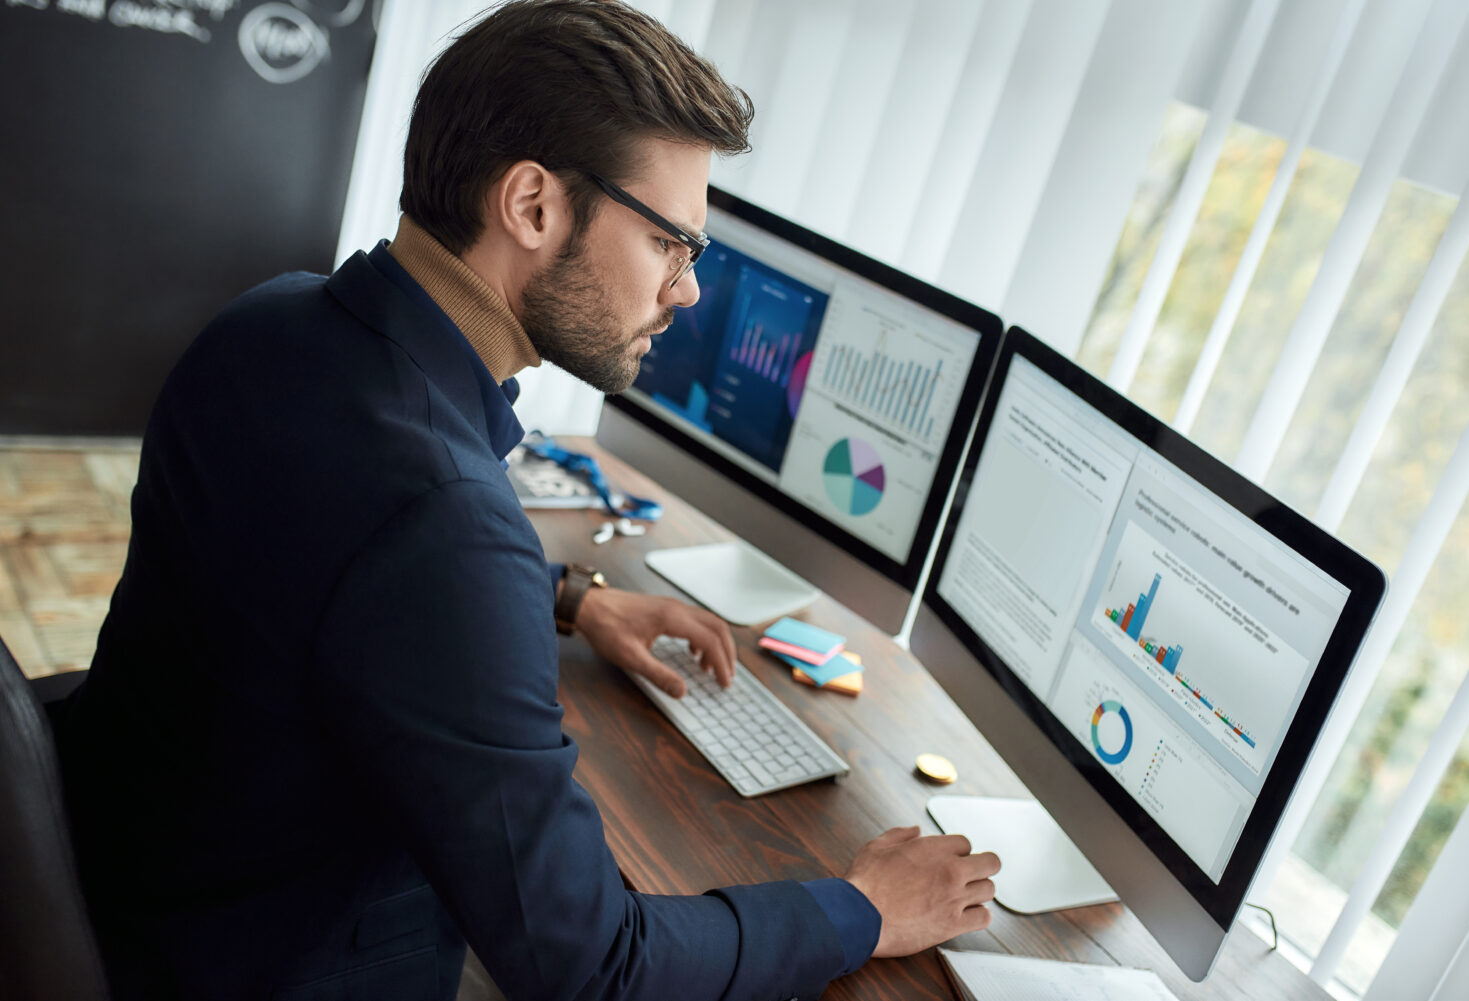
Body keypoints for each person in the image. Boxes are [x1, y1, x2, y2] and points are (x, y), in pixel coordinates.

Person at [55, 2, 1000, 999]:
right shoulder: (443, 523)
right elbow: (593, 967)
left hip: (138, 882)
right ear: (535, 206)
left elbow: (331, 564)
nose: (685, 291)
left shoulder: (270, 321)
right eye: (672, 242)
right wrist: (861, 906)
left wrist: (572, 598)